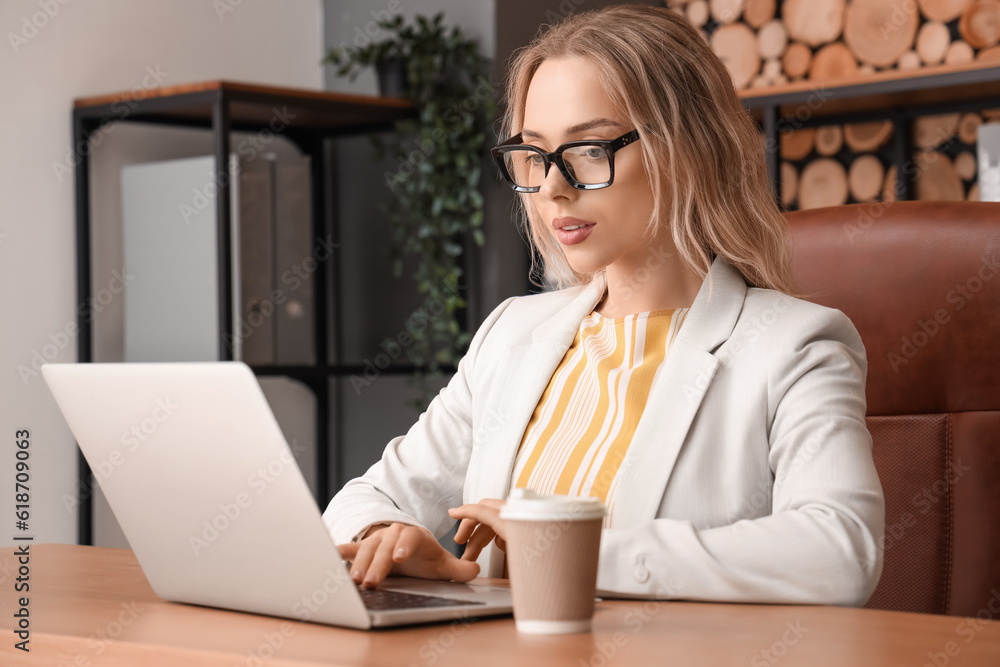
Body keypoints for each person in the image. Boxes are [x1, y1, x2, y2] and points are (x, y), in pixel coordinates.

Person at [323, 4, 884, 605]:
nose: (551, 187)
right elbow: (364, 500)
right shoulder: (512, 333)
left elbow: (839, 551)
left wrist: (572, 552)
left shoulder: (793, 345)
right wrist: (388, 537)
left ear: (685, 148)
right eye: (535, 155)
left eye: (589, 150)